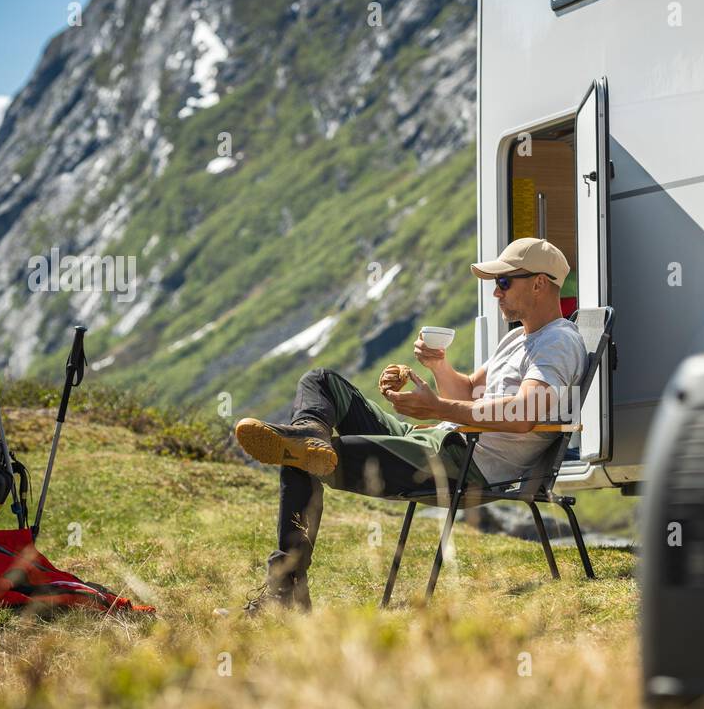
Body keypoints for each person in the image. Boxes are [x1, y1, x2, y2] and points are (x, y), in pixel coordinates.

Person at [234, 237, 588, 611]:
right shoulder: (519, 337)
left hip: (464, 466)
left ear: (538, 283)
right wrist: (438, 366)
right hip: (440, 442)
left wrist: (438, 407)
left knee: (299, 457)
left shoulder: (557, 343)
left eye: (503, 282)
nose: (496, 293)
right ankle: (311, 433)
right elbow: (469, 391)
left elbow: (524, 413)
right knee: (321, 382)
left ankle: (283, 595)